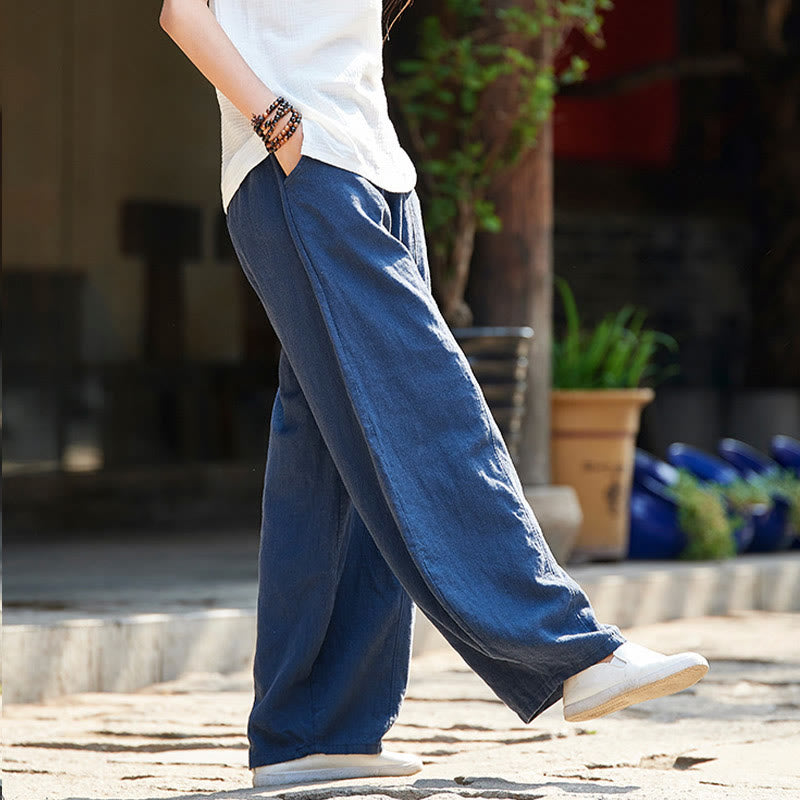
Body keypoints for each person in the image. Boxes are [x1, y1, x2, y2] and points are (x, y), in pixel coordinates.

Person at [158, 0, 709, 789]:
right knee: (427, 410)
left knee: (325, 461)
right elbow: (184, 11)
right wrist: (277, 123)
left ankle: (311, 729)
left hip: (372, 166)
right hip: (301, 166)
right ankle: (570, 649)